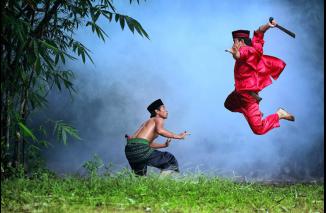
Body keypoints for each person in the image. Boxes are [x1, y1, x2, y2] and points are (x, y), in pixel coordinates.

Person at [224, 19, 295, 135]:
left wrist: (235, 54)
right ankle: (253, 113)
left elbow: (240, 55)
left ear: (241, 42)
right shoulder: (255, 46)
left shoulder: (246, 51)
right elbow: (259, 32)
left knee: (259, 129)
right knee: (229, 104)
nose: (233, 44)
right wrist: (268, 25)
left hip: (248, 98)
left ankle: (279, 114)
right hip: (240, 92)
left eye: (234, 41)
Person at [125, 99, 189, 176]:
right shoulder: (158, 119)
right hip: (140, 148)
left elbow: (148, 143)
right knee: (170, 160)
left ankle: (142, 182)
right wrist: (178, 136)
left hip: (130, 150)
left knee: (140, 178)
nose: (167, 111)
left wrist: (164, 145)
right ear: (157, 111)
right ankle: (161, 184)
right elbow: (160, 130)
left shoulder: (146, 123)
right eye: (164, 108)